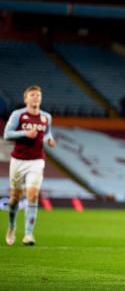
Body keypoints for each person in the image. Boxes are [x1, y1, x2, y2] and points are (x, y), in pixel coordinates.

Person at [4, 85, 56, 246]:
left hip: (36, 160)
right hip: (18, 161)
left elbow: (47, 132)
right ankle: (12, 226)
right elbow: (7, 134)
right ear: (26, 98)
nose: (36, 97)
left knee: (32, 195)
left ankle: (28, 234)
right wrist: (24, 133)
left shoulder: (46, 117)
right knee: (14, 199)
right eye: (32, 95)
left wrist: (49, 139)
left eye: (38, 95)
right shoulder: (18, 115)